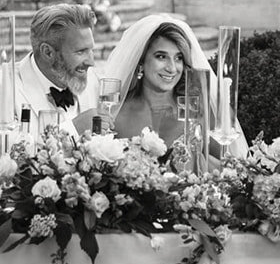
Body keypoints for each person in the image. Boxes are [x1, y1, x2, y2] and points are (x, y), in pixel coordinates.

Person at [99, 12, 248, 160]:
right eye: (161, 57)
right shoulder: (117, 115)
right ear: (141, 61)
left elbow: (225, 166)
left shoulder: (197, 110)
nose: (172, 68)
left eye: (178, 58)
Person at [0, 0, 98, 155]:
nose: (91, 62)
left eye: (91, 50)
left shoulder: (91, 81)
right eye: (81, 52)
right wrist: (73, 128)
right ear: (48, 52)